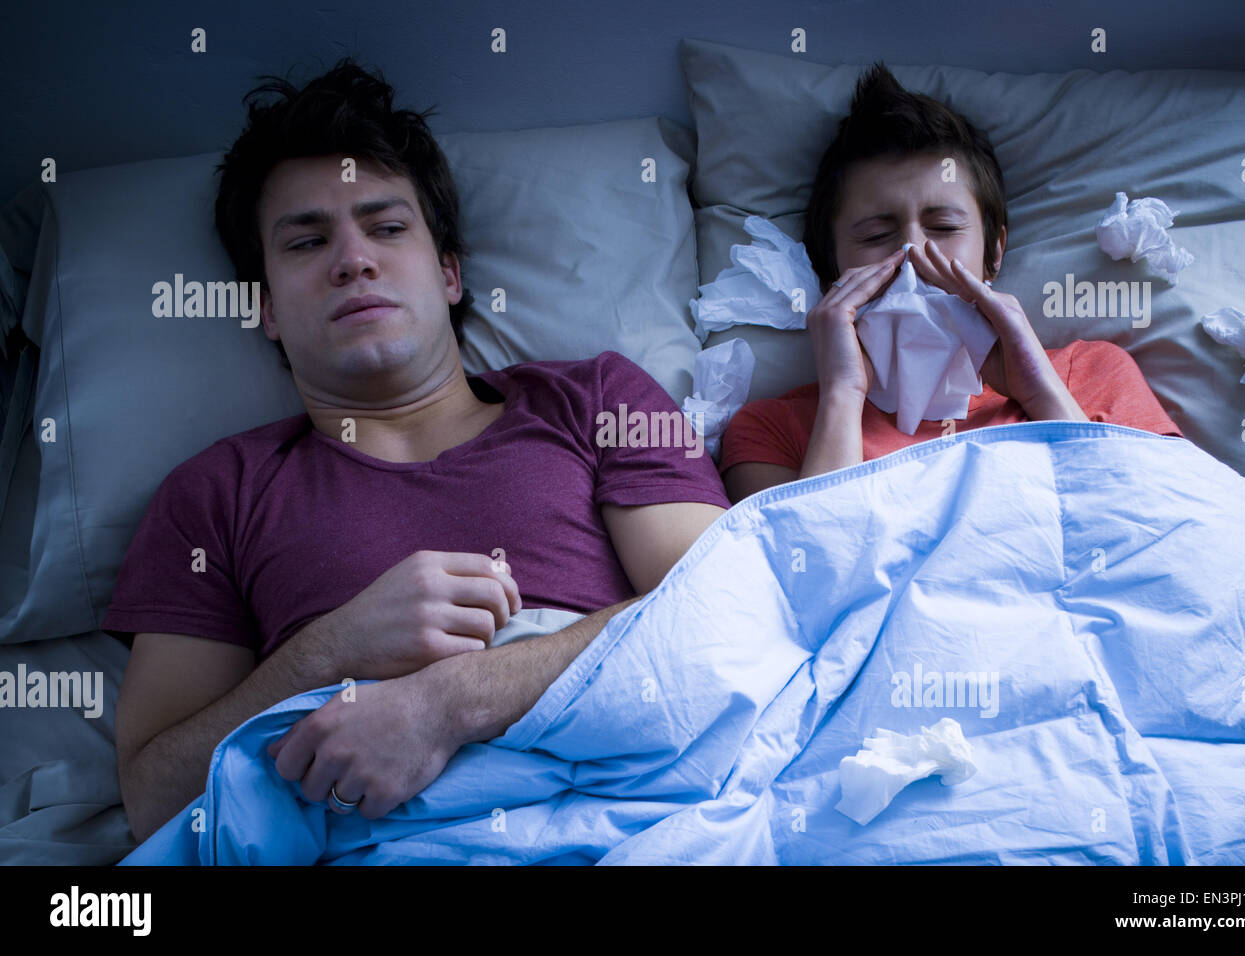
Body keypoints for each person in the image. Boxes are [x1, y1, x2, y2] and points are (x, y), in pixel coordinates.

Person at [102, 59, 728, 842]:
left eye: (387, 226)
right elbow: (153, 798)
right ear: (263, 309)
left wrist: (447, 702)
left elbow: (722, 620)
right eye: (306, 241)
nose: (353, 259)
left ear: (449, 273)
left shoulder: (602, 399)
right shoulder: (215, 494)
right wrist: (330, 653)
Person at [720, 65, 1181, 503]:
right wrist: (842, 394)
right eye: (878, 236)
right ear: (830, 273)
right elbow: (801, 569)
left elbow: (1168, 529)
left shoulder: (1091, 374)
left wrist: (1040, 392)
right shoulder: (773, 430)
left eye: (942, 227)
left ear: (994, 253)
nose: (913, 256)